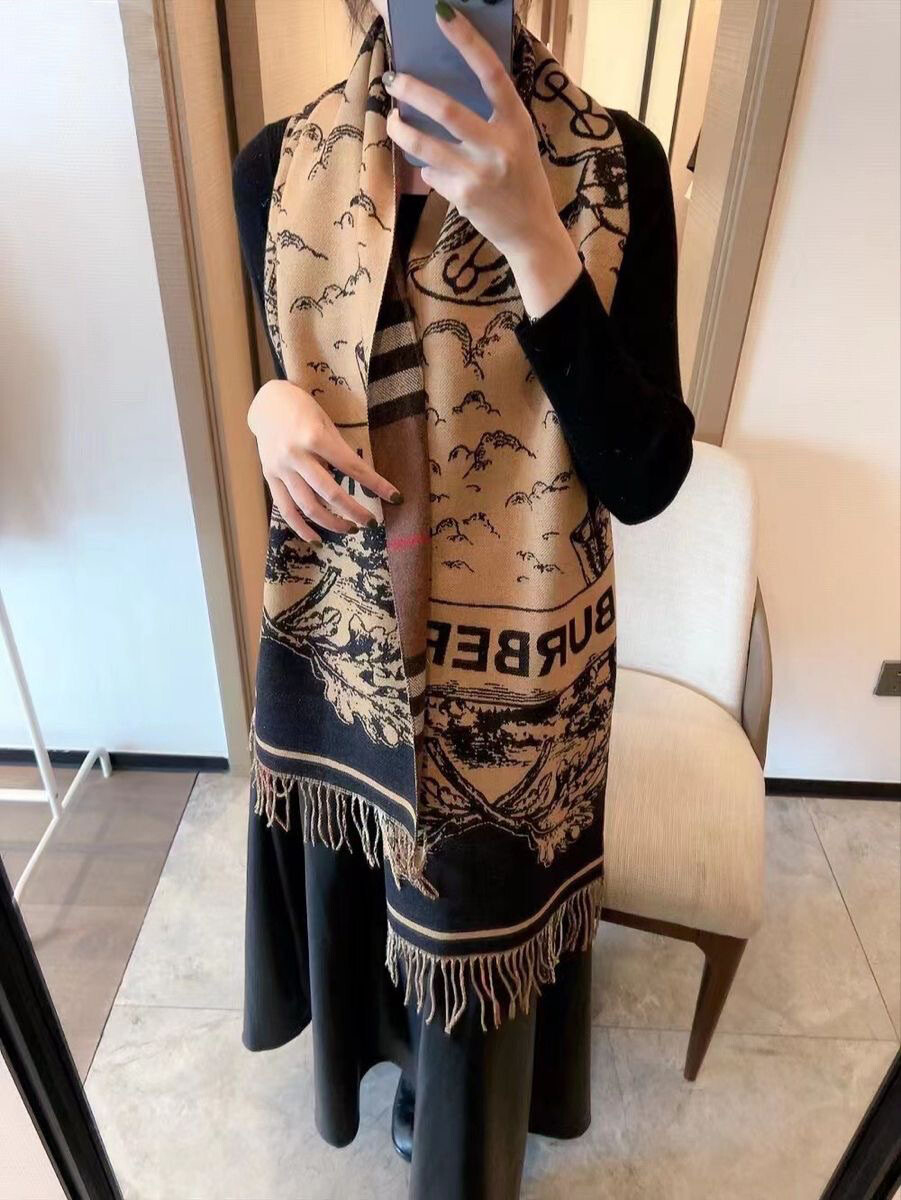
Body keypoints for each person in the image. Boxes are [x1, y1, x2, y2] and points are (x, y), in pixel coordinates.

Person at [233, 3, 694, 1197]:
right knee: (371, 907)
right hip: (351, 656)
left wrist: (534, 233)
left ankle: (455, 1120)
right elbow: (289, 373)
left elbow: (645, 478)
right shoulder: (277, 166)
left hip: (518, 685)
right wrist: (266, 411)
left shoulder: (620, 168)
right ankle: (397, 1068)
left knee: (478, 951)